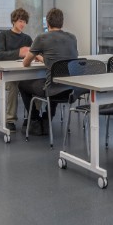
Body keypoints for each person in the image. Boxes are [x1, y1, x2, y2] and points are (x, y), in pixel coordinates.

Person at [20, 8, 79, 137]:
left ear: (47, 23)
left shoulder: (42, 38)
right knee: (57, 79)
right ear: (62, 23)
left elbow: (25, 63)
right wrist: (43, 58)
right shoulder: (72, 38)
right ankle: (47, 119)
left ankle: (34, 120)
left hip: (51, 88)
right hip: (70, 88)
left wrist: (37, 57)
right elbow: (61, 61)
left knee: (22, 84)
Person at [0, 8, 33, 131]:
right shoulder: (4, 35)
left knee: (35, 84)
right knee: (13, 84)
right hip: (1, 76)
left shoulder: (27, 38)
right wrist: (19, 53)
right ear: (14, 21)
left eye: (24, 22)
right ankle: (10, 120)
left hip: (21, 75)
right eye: (20, 21)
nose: (22, 24)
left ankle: (33, 116)